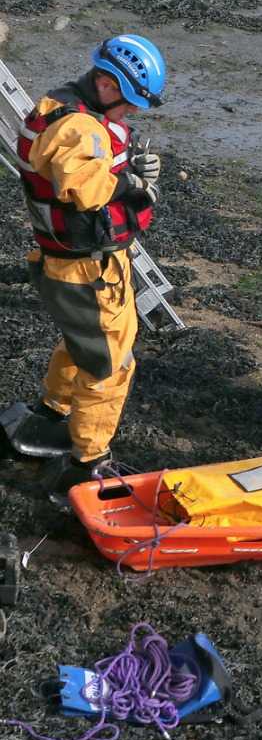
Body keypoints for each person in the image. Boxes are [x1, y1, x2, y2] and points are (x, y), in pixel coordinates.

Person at [10, 34, 166, 503]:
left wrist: (132, 163)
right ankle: (88, 464)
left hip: (69, 264)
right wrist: (134, 181)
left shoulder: (66, 108)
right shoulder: (80, 129)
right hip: (86, 270)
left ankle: (50, 415)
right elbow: (89, 191)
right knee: (110, 363)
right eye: (130, 102)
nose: (133, 112)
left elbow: (91, 165)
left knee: (82, 343)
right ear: (104, 83)